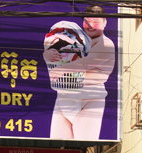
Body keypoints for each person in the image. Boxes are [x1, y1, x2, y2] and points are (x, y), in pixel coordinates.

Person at [43, 5, 115, 140]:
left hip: (89, 100)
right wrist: (48, 54)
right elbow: (52, 52)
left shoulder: (107, 44)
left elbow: (87, 62)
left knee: (83, 147)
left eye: (96, 22)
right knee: (57, 149)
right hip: (64, 97)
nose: (91, 26)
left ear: (105, 23)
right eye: (87, 22)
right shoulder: (75, 40)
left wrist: (62, 69)